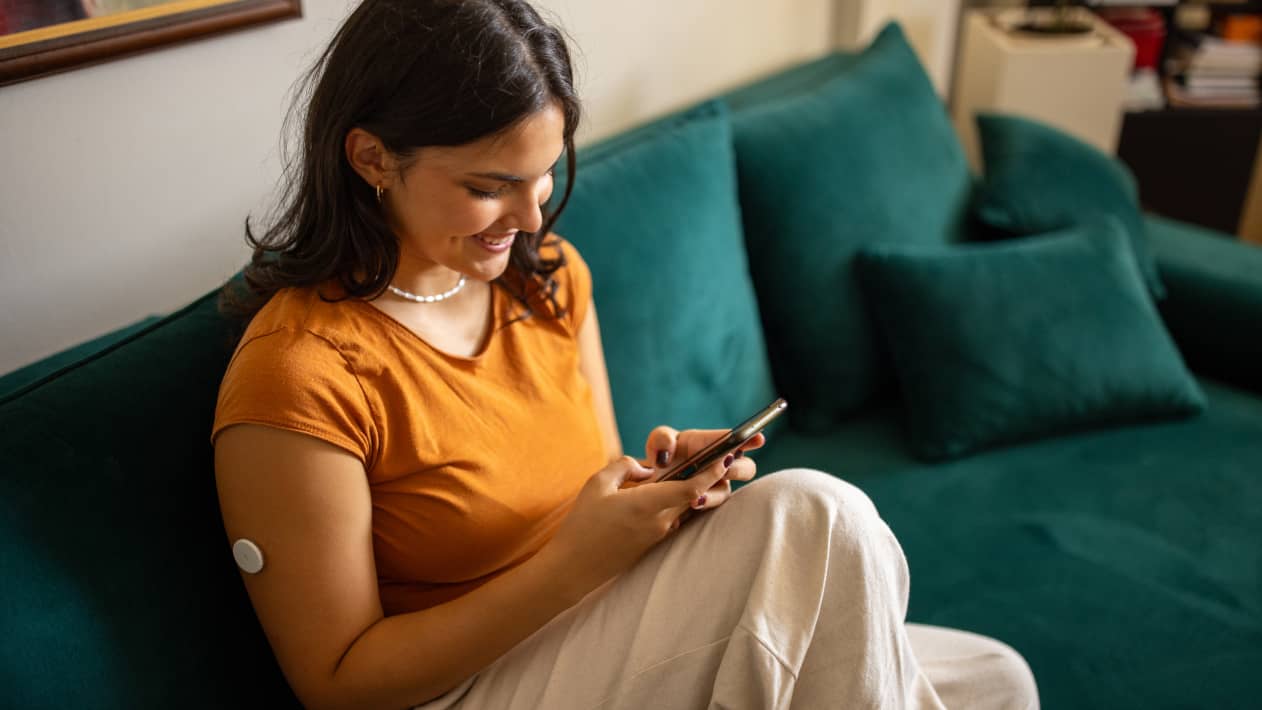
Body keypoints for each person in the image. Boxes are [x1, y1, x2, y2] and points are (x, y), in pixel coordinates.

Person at [211, 1, 1040, 708]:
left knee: (996, 682)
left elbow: (586, 485)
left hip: (590, 621)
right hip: (464, 688)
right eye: (488, 185)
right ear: (371, 158)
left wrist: (650, 494)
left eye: (542, 176)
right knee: (815, 517)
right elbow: (337, 682)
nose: (532, 217)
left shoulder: (549, 281)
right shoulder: (300, 373)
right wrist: (577, 563)